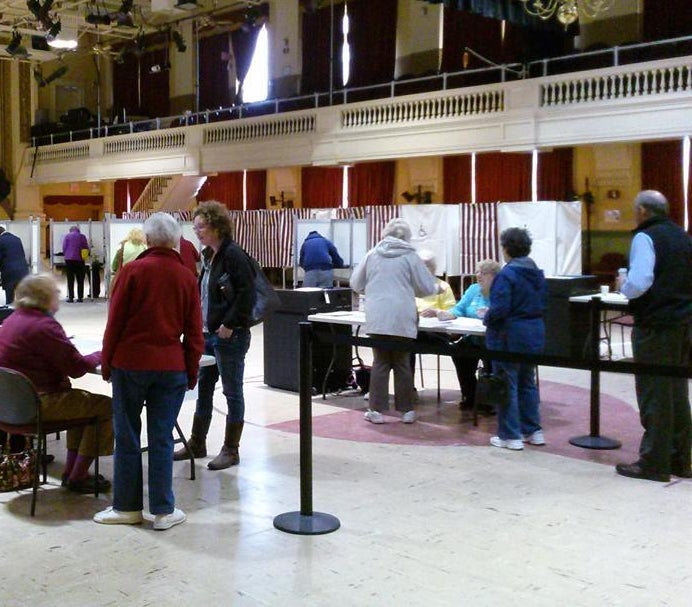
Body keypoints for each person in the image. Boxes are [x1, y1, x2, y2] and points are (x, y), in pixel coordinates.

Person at [94, 213, 204, 530]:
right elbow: (194, 333)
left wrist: (108, 362)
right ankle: (163, 510)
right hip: (170, 367)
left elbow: (114, 323)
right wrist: (191, 371)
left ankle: (126, 507)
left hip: (130, 364)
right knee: (161, 438)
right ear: (175, 240)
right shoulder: (185, 277)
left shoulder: (131, 272)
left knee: (127, 435)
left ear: (147, 239)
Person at [0, 273, 113, 493]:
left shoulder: (12, 321)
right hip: (39, 403)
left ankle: (71, 471)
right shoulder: (44, 326)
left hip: (11, 406)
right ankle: (77, 475)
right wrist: (103, 353)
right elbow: (77, 368)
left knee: (82, 404)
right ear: (45, 297)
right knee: (106, 407)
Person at [614, 190, 691, 482]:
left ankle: (654, 462)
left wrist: (624, 284)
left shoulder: (645, 237)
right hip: (683, 325)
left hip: (656, 325)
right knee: (677, 393)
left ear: (643, 211)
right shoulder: (683, 237)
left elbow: (641, 281)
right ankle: (681, 459)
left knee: (654, 394)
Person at [174, 200, 255, 470]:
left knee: (232, 392)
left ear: (217, 226)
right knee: (204, 389)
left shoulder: (233, 255)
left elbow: (247, 294)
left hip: (228, 335)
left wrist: (230, 324)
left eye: (202, 226)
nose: (197, 231)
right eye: (195, 227)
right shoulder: (210, 255)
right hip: (208, 334)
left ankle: (231, 449)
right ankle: (197, 442)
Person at [350, 218, 437, 424]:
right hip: (402, 316)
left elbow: (356, 283)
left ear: (385, 234)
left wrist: (372, 290)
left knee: (380, 362)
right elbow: (427, 288)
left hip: (378, 315)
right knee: (402, 362)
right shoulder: (410, 256)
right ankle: (406, 410)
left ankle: (376, 411)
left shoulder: (372, 254)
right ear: (407, 237)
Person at [484, 228, 547, 451]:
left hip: (509, 336)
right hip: (534, 333)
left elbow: (499, 308)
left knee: (506, 384)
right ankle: (533, 430)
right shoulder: (537, 272)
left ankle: (510, 435)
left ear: (507, 248)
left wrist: (487, 318)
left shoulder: (507, 274)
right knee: (527, 383)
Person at [438, 259, 501, 411]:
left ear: (494, 276)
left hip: (494, 339)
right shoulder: (473, 289)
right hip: (472, 337)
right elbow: (459, 309)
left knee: (491, 358)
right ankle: (470, 395)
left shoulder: (500, 292)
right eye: (478, 272)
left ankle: (490, 399)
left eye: (484, 273)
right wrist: (449, 314)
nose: (479, 275)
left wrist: (491, 314)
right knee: (458, 353)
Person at [410, 249, 455, 387]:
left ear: (434, 268)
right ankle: (408, 388)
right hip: (415, 331)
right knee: (403, 347)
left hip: (437, 333)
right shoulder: (411, 286)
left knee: (407, 342)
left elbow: (452, 311)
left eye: (426, 265)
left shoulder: (443, 286)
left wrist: (437, 311)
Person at [0, 226, 29, 304]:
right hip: (23, 270)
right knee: (23, 295)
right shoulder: (17, 238)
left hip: (9, 271)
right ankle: (24, 312)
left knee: (10, 296)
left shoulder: (1, 240)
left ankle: (10, 313)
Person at [62, 225, 89, 303]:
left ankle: (70, 298)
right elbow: (86, 247)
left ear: (70, 230)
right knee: (80, 279)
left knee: (70, 279)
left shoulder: (67, 236)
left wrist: (66, 254)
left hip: (69, 260)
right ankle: (80, 298)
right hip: (80, 260)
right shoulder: (82, 236)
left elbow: (64, 247)